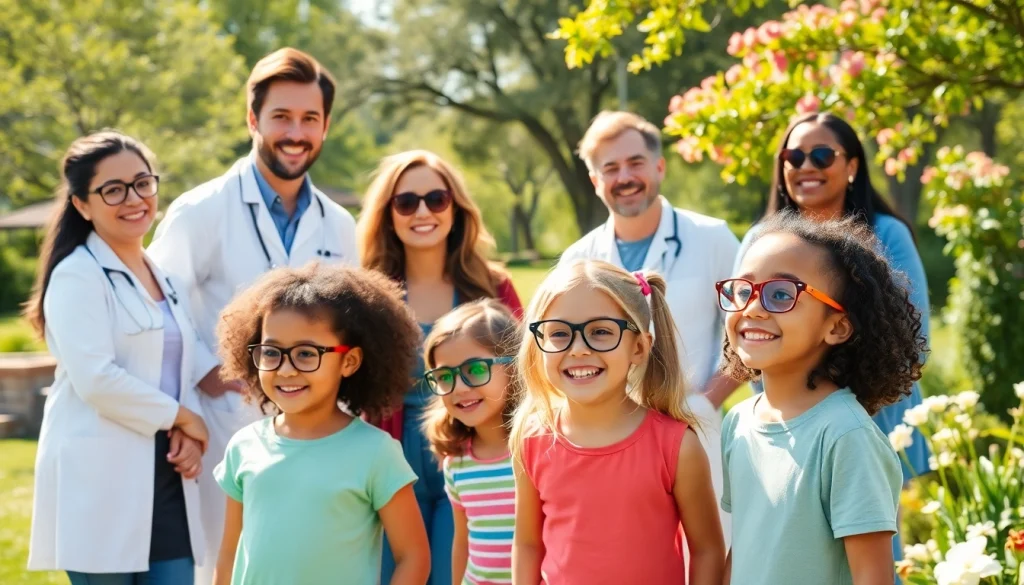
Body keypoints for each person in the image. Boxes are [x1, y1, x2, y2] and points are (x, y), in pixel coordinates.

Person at [147, 47, 358, 581]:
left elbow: (352, 323)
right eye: (281, 116)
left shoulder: (338, 225)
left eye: (310, 119)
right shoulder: (200, 211)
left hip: (316, 433)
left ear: (325, 126)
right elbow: (159, 311)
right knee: (227, 564)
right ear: (252, 119)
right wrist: (206, 371)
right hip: (224, 427)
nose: (296, 132)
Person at [25, 131, 225, 583]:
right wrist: (182, 417)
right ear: (82, 205)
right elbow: (97, 379)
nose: (133, 198)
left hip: (168, 477)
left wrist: (190, 428)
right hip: (101, 482)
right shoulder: (77, 275)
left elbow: (182, 362)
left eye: (142, 183)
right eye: (113, 189)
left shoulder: (163, 273)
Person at [731, 111, 931, 563]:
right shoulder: (761, 238)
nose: (807, 165)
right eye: (794, 155)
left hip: (869, 410)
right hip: (785, 418)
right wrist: (784, 399)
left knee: (862, 541)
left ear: (853, 165)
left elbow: (910, 332)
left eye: (822, 154)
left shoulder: (886, 233)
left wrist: (823, 404)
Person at [557, 110, 739, 541]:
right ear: (594, 181)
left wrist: (708, 401)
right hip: (610, 440)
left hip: (695, 431)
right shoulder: (577, 260)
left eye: (635, 162)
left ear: (659, 166)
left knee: (710, 552)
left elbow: (750, 334)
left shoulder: (712, 239)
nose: (625, 176)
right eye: (611, 168)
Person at [718, 212, 925, 585]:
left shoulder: (847, 437)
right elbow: (746, 546)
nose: (753, 307)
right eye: (743, 291)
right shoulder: (739, 422)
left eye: (781, 294)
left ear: (837, 326)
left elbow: (872, 577)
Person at [358, 149, 523, 585]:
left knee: (462, 573)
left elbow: (526, 373)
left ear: (457, 207)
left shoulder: (493, 287)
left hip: (474, 455)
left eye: (437, 198)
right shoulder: (368, 295)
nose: (423, 211)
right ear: (388, 214)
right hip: (390, 457)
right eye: (406, 202)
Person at [211, 264, 431, 585]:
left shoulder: (376, 452)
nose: (285, 370)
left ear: (349, 361)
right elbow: (229, 552)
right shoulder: (244, 447)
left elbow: (413, 557)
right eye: (272, 352)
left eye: (306, 353)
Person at [510, 260, 726, 585]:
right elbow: (527, 544)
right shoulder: (532, 441)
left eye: (600, 332)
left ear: (638, 347)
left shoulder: (678, 448)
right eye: (558, 333)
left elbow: (707, 550)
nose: (578, 349)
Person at [421, 300, 519, 585]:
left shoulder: (539, 451)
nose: (460, 387)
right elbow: (462, 544)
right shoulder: (457, 462)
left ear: (513, 367)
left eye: (475, 370)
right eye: (444, 376)